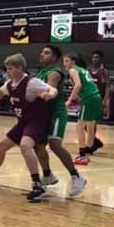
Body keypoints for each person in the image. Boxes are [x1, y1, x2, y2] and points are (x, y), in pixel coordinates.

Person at [0, 53, 58, 203]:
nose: (7, 72)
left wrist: (49, 94)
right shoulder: (10, 84)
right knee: (0, 146)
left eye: (10, 69)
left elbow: (52, 89)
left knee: (25, 145)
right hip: (23, 122)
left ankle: (37, 185)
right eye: (7, 69)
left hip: (37, 122)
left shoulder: (32, 83)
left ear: (19, 68)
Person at [34, 45, 86, 198]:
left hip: (56, 113)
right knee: (38, 145)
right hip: (43, 114)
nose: (42, 54)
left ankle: (77, 177)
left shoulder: (55, 73)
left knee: (55, 145)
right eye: (42, 51)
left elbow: (47, 91)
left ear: (55, 58)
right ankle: (48, 175)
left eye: (46, 53)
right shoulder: (41, 72)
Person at [64, 52, 103, 165]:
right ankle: (87, 154)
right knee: (90, 127)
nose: (65, 64)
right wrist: (77, 97)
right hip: (96, 97)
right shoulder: (84, 70)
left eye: (67, 61)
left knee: (79, 126)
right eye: (64, 61)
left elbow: (78, 85)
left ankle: (82, 155)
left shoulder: (73, 70)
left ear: (73, 62)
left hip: (89, 98)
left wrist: (69, 100)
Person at [88, 51, 111, 117]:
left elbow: (108, 86)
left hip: (99, 98)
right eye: (93, 57)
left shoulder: (105, 72)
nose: (94, 59)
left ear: (101, 59)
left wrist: (105, 99)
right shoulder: (88, 70)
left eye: (97, 57)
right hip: (89, 98)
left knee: (97, 119)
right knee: (87, 119)